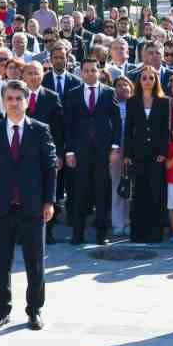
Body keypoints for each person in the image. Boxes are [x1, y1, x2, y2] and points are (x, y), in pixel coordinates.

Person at [0, 80, 59, 331]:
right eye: (9, 99)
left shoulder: (40, 130)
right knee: (1, 263)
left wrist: (49, 201)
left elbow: (50, 168)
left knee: (35, 263)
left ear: (27, 101)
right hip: (1, 207)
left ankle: (34, 310)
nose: (13, 103)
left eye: (18, 98)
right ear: (3, 102)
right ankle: (3, 310)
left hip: (33, 206)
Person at [64, 57, 121, 245]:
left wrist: (115, 147)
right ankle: (77, 234)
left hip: (103, 151)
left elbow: (117, 122)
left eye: (93, 70)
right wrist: (69, 151)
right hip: (80, 151)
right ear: (81, 72)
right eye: (86, 70)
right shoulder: (73, 94)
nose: (90, 74)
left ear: (99, 71)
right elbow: (68, 125)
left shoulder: (109, 92)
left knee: (101, 192)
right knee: (79, 192)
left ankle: (101, 234)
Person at [125, 66, 171, 243]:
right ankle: (138, 232)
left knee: (156, 192)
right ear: (139, 81)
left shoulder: (164, 102)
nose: (147, 81)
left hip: (156, 154)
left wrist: (163, 152)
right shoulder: (132, 101)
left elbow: (166, 130)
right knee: (139, 193)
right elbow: (128, 129)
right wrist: (127, 154)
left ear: (156, 80)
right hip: (138, 153)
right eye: (144, 78)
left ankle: (155, 232)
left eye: (151, 78)